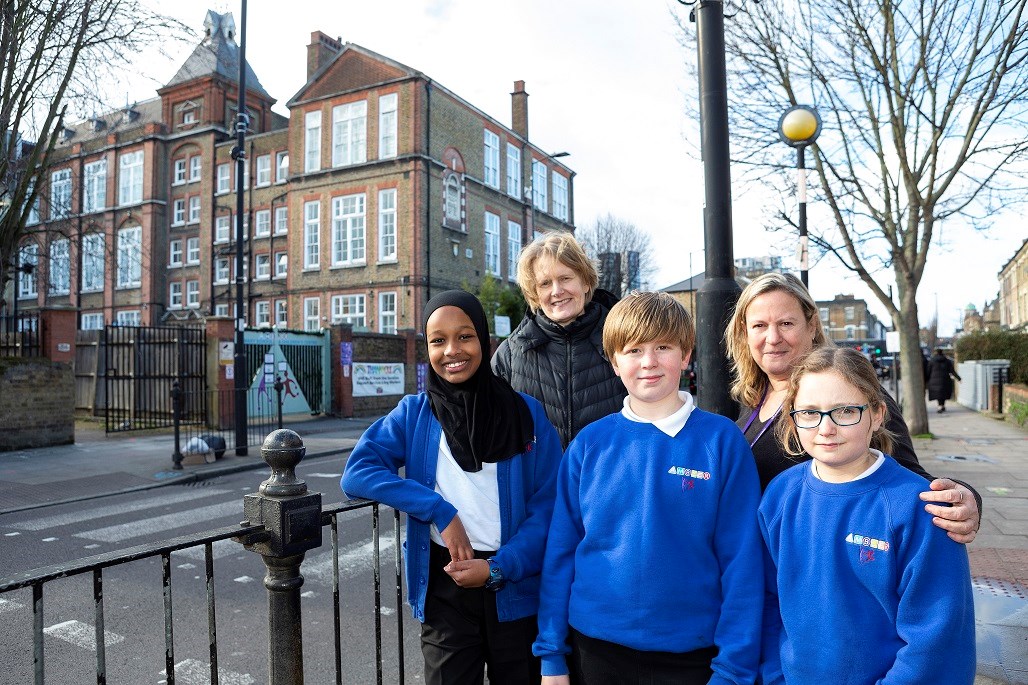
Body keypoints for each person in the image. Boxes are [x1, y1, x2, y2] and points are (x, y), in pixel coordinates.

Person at [534, 292, 763, 685]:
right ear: (614, 360)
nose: (649, 362)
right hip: (596, 649)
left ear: (686, 354)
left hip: (693, 655)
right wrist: (552, 654)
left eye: (663, 347)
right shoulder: (589, 445)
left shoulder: (721, 441)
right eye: (634, 349)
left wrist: (734, 668)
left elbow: (742, 562)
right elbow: (560, 553)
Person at [341, 290, 563, 685]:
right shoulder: (414, 413)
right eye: (437, 341)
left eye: (464, 336)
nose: (451, 351)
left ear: (483, 339)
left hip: (515, 586)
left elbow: (548, 509)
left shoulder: (526, 412)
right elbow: (358, 473)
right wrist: (438, 509)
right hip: (446, 592)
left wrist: (497, 568)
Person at [759, 347, 975, 684]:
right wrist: (773, 676)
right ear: (793, 418)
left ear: (876, 414)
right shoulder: (778, 497)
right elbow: (766, 604)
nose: (825, 428)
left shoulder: (918, 507)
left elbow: (937, 640)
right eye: (809, 412)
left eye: (844, 411)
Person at [725, 272, 981, 542]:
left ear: (812, 326)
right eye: (759, 326)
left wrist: (963, 499)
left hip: (826, 563)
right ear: (745, 332)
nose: (773, 337)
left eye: (786, 323)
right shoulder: (752, 397)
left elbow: (907, 477)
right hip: (761, 567)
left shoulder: (851, 394)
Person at [492, 232, 626, 447]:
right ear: (535, 293)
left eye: (565, 278)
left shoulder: (623, 341)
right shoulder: (509, 355)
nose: (556, 291)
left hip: (610, 479)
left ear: (585, 282)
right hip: (539, 481)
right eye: (545, 283)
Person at [927, 347, 962, 413]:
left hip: (934, 380)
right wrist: (958, 378)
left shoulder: (932, 361)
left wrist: (926, 380)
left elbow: (928, 371)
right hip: (945, 380)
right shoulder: (947, 361)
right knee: (943, 394)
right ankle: (942, 405)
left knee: (938, 394)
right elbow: (952, 371)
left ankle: (940, 406)